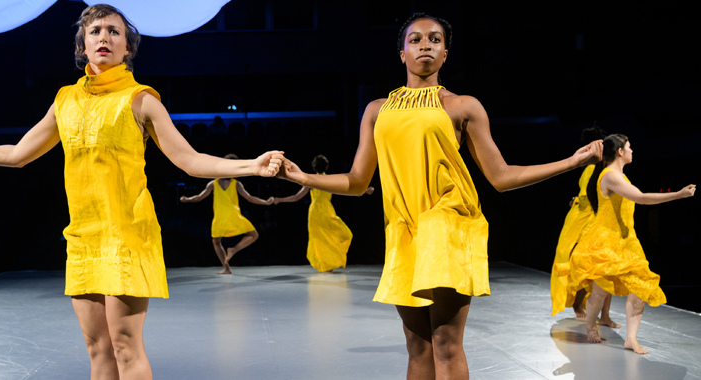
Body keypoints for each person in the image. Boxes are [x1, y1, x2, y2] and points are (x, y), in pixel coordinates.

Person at [0, 5, 282, 380]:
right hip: (83, 239)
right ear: (83, 46)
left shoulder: (142, 100)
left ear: (128, 48)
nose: (104, 38)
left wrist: (252, 165)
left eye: (114, 32)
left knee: (126, 347)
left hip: (128, 235)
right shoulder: (65, 101)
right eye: (95, 32)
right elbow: (17, 154)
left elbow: (189, 161)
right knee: (98, 350)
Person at [275, 13, 603, 379]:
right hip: (404, 230)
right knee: (417, 347)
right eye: (415, 39)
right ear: (401, 53)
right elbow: (356, 180)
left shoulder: (462, 106)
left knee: (445, 343)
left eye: (434, 39)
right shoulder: (376, 110)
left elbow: (501, 176)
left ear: (445, 53)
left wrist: (571, 162)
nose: (425, 45)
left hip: (448, 224)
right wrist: (301, 176)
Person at [567, 134, 694, 354]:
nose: (632, 150)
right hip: (606, 241)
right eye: (629, 147)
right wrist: (679, 195)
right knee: (599, 292)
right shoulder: (609, 176)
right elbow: (641, 198)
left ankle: (631, 339)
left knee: (640, 288)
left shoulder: (620, 176)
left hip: (626, 241)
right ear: (620, 152)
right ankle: (590, 328)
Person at [550, 126, 619, 329]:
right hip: (586, 221)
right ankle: (581, 306)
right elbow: (591, 195)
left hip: (593, 220)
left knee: (604, 268)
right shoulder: (594, 167)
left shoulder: (602, 167)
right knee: (589, 268)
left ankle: (601, 314)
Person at [273, 155, 374, 273]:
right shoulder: (328, 179)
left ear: (314, 167)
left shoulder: (310, 179)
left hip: (316, 211)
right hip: (326, 210)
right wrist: (366, 190)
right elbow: (346, 189)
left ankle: (326, 264)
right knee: (330, 236)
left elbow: (297, 197)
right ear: (326, 166)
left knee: (321, 239)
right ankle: (327, 265)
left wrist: (280, 199)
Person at [180, 154, 274, 274]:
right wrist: (266, 202)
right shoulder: (236, 184)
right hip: (234, 216)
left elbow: (199, 197)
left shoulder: (213, 183)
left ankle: (227, 267)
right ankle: (233, 251)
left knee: (216, 242)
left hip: (220, 218)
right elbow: (250, 198)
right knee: (253, 235)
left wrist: (187, 199)